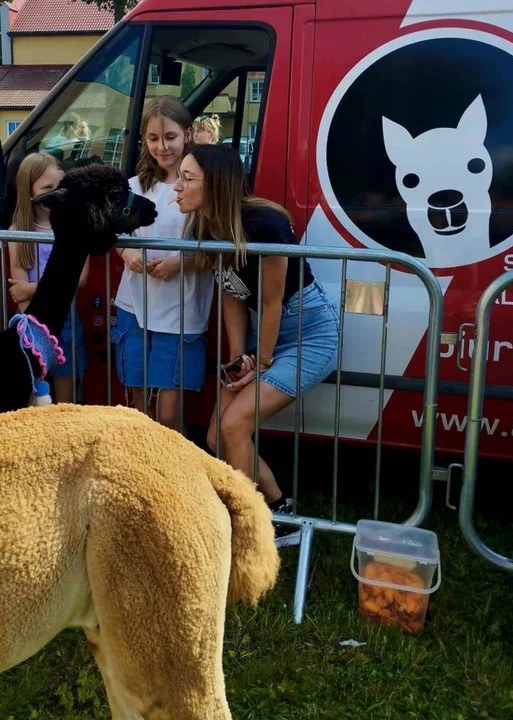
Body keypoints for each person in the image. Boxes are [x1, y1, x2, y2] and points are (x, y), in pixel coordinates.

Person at [174, 144, 339, 547]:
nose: (176, 186)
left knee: (233, 425)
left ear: (216, 184)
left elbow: (270, 301)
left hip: (307, 333)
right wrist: (237, 358)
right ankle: (279, 514)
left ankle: (254, 526)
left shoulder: (263, 223)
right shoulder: (206, 224)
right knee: (217, 436)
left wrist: (260, 362)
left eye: (187, 178)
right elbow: (231, 294)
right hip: (265, 331)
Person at [113, 96, 213, 431]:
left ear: (187, 133)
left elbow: (217, 249)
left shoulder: (202, 187)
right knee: (140, 406)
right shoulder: (134, 187)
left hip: (181, 310)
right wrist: (127, 254)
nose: (162, 146)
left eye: (169, 137)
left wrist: (179, 264)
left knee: (169, 414)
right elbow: (117, 236)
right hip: (135, 305)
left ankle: (173, 475)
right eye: (154, 139)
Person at [8, 152, 88, 403]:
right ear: (29, 192)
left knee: (66, 397)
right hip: (31, 326)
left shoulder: (76, 225)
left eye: (62, 186)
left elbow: (79, 278)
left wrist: (33, 288)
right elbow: (17, 289)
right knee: (32, 395)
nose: (58, 193)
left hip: (66, 319)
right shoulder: (18, 232)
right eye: (48, 188)